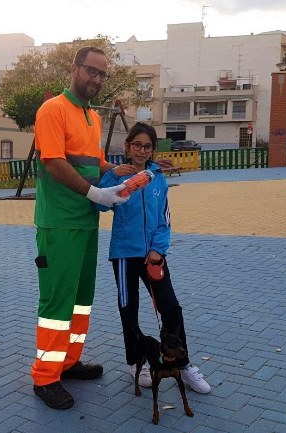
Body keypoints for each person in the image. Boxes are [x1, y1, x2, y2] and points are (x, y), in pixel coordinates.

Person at [31, 46, 129, 410]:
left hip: (86, 222)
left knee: (80, 301)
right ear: (74, 69)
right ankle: (45, 377)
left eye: (102, 74)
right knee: (57, 301)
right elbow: (54, 162)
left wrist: (113, 172)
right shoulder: (52, 110)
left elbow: (90, 160)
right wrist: (95, 193)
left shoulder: (92, 116)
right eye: (92, 71)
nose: (97, 79)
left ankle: (68, 363)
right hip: (59, 224)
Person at [95, 122, 211, 394]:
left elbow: (164, 218)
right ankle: (136, 362)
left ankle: (182, 363)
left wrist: (158, 249)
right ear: (128, 146)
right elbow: (98, 204)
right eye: (137, 145)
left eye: (147, 146)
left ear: (152, 149)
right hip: (124, 255)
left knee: (171, 308)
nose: (141, 150)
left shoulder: (157, 177)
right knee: (129, 310)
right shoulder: (117, 175)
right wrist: (113, 177)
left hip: (153, 256)